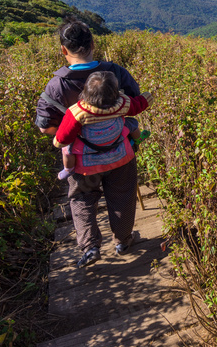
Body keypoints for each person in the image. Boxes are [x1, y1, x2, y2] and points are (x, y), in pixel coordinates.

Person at [36, 18, 145, 267]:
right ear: (93, 44)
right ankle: (124, 240)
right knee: (122, 195)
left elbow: (45, 125)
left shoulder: (57, 85)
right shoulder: (114, 73)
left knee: (82, 199)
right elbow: (135, 100)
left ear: (63, 50)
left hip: (81, 161)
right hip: (119, 153)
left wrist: (73, 134)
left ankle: (90, 247)